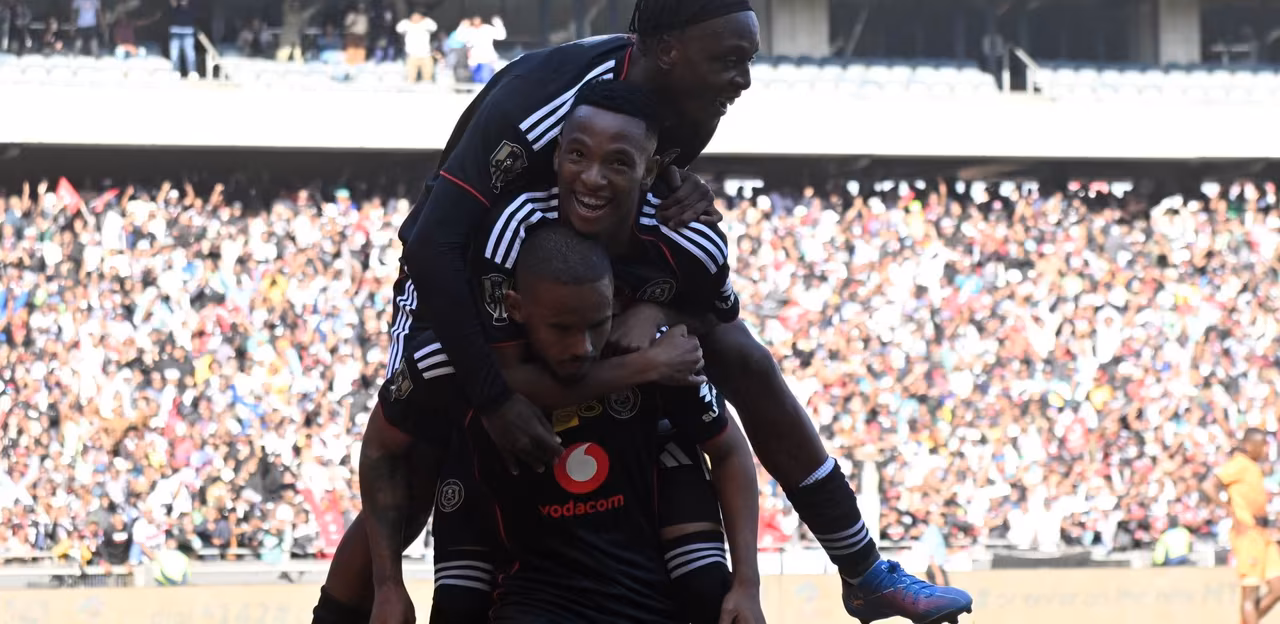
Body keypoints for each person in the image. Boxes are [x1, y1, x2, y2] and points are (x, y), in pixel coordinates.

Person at [390, 0, 972, 621]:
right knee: (421, 437)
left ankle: (862, 568)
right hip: (460, 277)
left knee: (741, 354)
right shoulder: (539, 100)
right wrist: (493, 398)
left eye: (747, 60)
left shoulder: (694, 109)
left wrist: (659, 303)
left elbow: (637, 232)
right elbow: (431, 243)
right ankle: (365, 595)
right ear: (668, 50)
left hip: (584, 284)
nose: (744, 80)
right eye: (730, 59)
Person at [372, 222, 759, 622]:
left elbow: (729, 449)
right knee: (456, 607)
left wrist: (747, 584)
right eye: (561, 328)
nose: (583, 347)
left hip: (638, 578)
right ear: (515, 308)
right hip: (533, 588)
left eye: (598, 324)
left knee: (707, 588)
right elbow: (380, 449)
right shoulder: (454, 361)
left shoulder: (656, 352)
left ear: (614, 302)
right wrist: (387, 586)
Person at [1202, 428, 1280, 624]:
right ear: (1249, 445)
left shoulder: (1253, 466)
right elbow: (1208, 485)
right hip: (1248, 535)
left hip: (1263, 533)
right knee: (1250, 593)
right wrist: (1228, 509)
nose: (1265, 450)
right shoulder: (1239, 464)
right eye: (1262, 445)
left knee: (1277, 587)